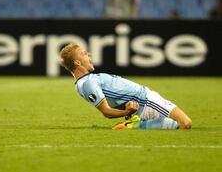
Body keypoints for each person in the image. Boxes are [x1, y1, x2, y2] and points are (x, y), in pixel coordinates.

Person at [59, 42, 192, 130]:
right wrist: (127, 112)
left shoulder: (84, 82)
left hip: (143, 103)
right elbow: (106, 112)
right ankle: (136, 125)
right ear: (77, 62)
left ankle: (137, 123)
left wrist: (127, 109)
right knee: (185, 123)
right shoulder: (87, 83)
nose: (89, 55)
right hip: (146, 101)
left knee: (174, 125)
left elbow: (109, 104)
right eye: (84, 54)